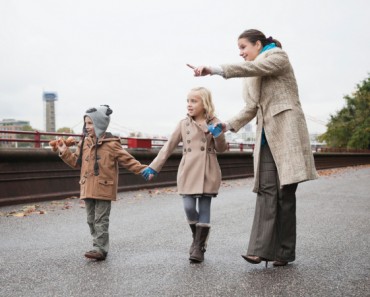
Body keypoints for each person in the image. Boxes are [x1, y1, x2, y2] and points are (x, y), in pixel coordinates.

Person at [187, 29, 319, 267]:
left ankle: (284, 252)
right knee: (267, 191)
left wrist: (215, 69)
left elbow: (255, 68)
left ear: (258, 44)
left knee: (285, 195)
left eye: (243, 47)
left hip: (286, 134)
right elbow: (251, 108)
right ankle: (259, 250)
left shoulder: (278, 56)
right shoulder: (251, 74)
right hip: (265, 138)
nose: (241, 53)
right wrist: (227, 125)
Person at [142, 87, 227, 263]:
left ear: (205, 103)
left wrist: (218, 134)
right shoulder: (183, 124)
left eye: (194, 101)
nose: (189, 105)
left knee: (204, 208)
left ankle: (199, 248)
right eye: (188, 101)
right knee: (188, 207)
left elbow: (221, 149)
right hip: (188, 169)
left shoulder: (216, 122)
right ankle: (198, 241)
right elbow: (168, 146)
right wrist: (154, 167)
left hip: (207, 169)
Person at [53, 105, 148, 261]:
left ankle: (100, 249)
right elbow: (76, 162)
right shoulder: (84, 143)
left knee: (100, 219)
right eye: (86, 123)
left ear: (100, 124)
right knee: (90, 220)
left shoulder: (112, 144)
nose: (87, 127)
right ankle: (97, 244)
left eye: (90, 123)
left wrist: (144, 170)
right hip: (87, 186)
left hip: (104, 187)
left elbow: (128, 160)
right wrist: (64, 151)